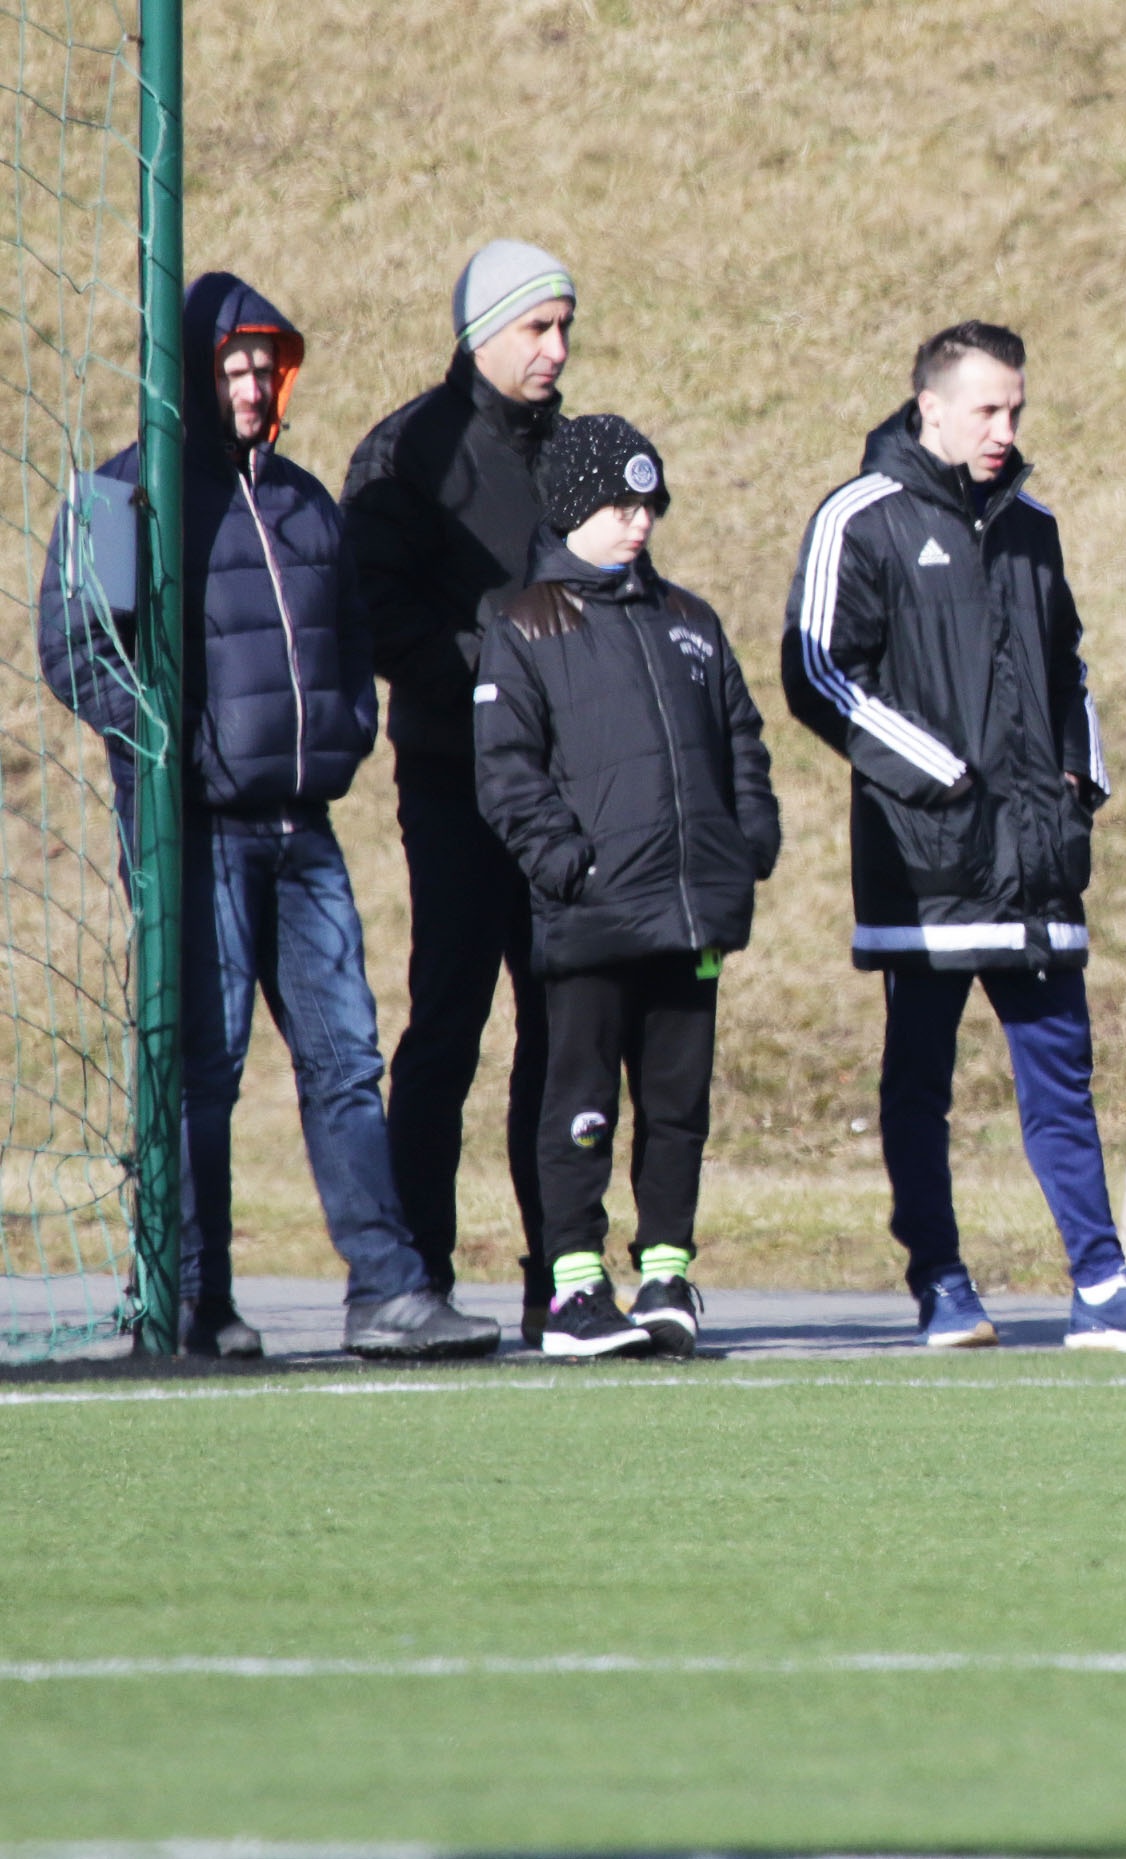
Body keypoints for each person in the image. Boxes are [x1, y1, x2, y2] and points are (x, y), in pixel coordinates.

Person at [37, 272, 498, 1360]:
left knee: (346, 1060)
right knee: (208, 1067)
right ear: (192, 375)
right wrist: (171, 749)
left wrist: (344, 729)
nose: (250, 385)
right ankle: (199, 1300)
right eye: (230, 367)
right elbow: (73, 651)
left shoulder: (304, 502)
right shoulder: (120, 497)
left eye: (263, 366)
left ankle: (387, 1288)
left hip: (305, 830)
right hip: (196, 833)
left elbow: (343, 640)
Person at [782, 322, 1126, 1353]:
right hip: (926, 860)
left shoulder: (1033, 523)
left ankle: (1103, 1283)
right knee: (918, 1085)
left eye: (1015, 408)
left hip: (1034, 861)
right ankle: (940, 1282)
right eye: (985, 408)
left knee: (1062, 1080)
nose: (1004, 427)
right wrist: (940, 777)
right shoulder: (862, 517)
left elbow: (1064, 668)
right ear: (928, 406)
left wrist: (1080, 781)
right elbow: (818, 672)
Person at [475, 417, 778, 1358]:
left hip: (690, 913)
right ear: (572, 509)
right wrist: (571, 866)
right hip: (592, 916)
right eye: (619, 504)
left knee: (680, 1106)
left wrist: (746, 843)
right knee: (582, 1104)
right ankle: (573, 1288)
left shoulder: (690, 619)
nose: (638, 521)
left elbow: (742, 741)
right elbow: (508, 773)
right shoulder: (523, 623)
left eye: (649, 503)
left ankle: (667, 1273)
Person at [343, 239, 575, 1345]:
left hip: (567, 798)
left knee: (564, 1029)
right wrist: (495, 688)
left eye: (566, 327)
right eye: (537, 327)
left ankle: (560, 1273)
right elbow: (375, 614)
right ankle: (419, 1271)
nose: (556, 349)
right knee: (448, 1023)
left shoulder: (581, 453)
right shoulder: (407, 450)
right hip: (452, 781)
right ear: (483, 329)